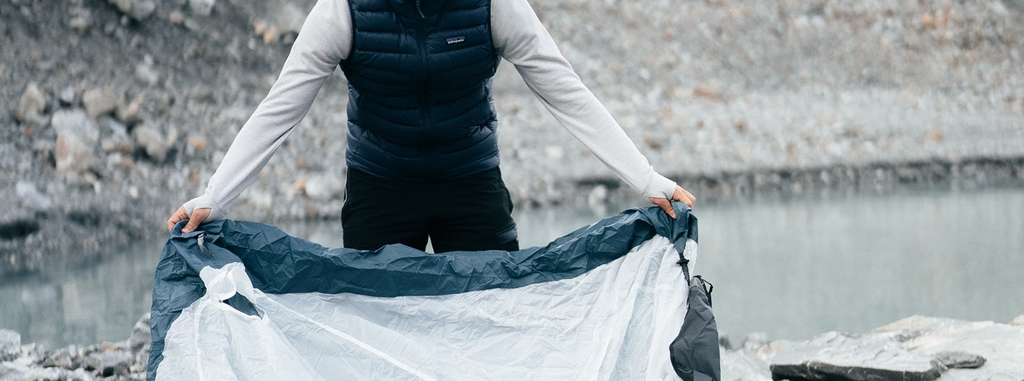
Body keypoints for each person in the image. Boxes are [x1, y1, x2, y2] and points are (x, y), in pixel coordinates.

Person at [167, 0, 695, 252]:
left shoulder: (495, 7)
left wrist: (648, 180)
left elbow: (564, 90)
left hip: (470, 183)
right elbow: (283, 106)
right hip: (380, 186)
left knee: (491, 322)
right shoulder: (343, 12)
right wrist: (216, 197)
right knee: (378, 331)